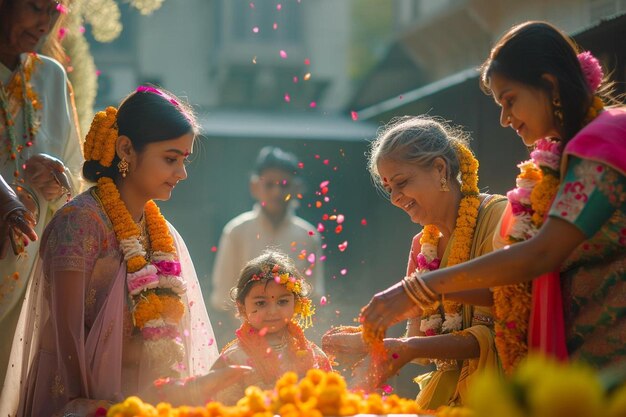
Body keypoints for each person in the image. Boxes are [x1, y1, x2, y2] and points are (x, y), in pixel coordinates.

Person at [360, 21, 626, 375]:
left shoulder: (604, 141)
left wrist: (424, 286)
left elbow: (543, 253)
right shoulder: (562, 159)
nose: (504, 119)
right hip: (581, 363)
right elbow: (514, 290)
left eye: (510, 100)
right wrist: (426, 296)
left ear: (549, 85)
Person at [1, 87, 248, 417]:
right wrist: (92, 407)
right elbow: (67, 336)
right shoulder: (79, 224)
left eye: (184, 161)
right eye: (170, 159)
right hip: (74, 396)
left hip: (141, 396)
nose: (182, 173)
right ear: (126, 149)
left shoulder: (161, 232)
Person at [322, 116, 506, 408]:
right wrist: (372, 342)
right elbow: (419, 341)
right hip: (446, 395)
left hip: (500, 393)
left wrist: (404, 348)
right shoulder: (422, 245)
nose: (395, 198)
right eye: (388, 188)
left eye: (402, 183)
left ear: (440, 169)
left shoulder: (498, 218)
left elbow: (495, 332)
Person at [0, 0, 83, 387]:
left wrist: (56, 181)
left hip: (31, 270)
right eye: (35, 7)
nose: (45, 23)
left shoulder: (50, 77)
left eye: (53, 12)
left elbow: (75, 179)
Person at [210, 146, 324, 340]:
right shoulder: (236, 231)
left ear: (296, 189)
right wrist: (251, 336)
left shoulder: (308, 235)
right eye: (269, 185)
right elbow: (223, 297)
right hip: (243, 338)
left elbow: (312, 295)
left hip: (292, 340)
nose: (277, 192)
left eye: (284, 185)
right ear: (255, 187)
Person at [211, 250, 331, 404]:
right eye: (261, 303)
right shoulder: (233, 360)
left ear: (297, 303)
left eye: (282, 302)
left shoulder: (313, 355)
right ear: (242, 307)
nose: (273, 311)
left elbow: (332, 403)